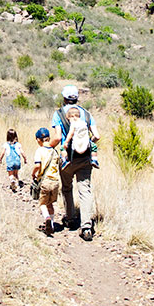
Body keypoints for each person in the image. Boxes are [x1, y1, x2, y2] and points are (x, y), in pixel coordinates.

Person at [50, 85, 99, 241]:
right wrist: (87, 144)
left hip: (67, 158)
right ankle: (86, 226)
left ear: (64, 98)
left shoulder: (59, 114)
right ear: (77, 98)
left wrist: (48, 147)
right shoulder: (87, 114)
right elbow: (96, 135)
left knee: (67, 187)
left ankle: (70, 218)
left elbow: (58, 137)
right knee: (85, 190)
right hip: (85, 157)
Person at [32, 128, 60, 236]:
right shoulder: (54, 151)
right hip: (55, 182)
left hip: (45, 181)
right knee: (50, 204)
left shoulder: (39, 151)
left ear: (39, 140)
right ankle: (51, 225)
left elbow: (37, 165)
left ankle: (47, 218)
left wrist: (33, 173)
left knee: (42, 203)